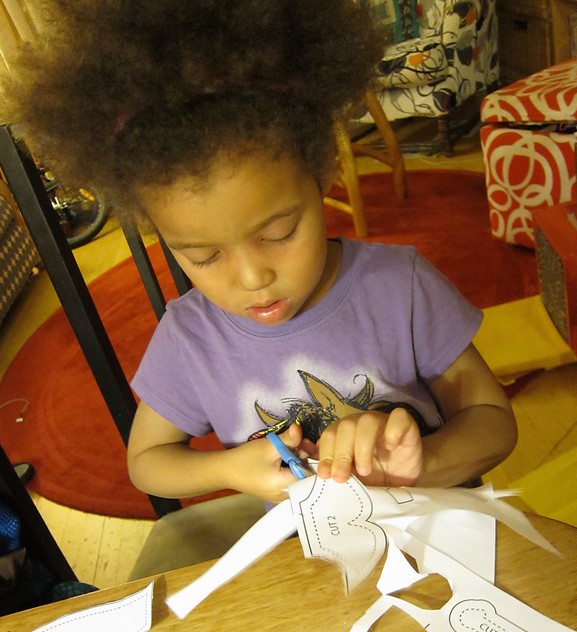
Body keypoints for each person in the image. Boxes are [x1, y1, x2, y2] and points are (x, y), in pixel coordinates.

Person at [2, 0, 517, 508]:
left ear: (321, 175)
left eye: (280, 233)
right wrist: (227, 468)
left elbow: (494, 423)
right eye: (203, 256)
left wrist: (421, 461)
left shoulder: (401, 287)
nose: (253, 278)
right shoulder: (190, 339)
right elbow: (147, 463)